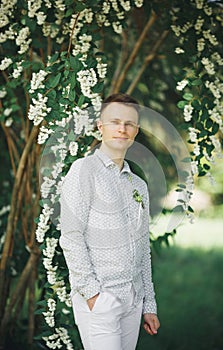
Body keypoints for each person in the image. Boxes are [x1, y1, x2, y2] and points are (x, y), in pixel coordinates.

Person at [59, 93, 160, 350]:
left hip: (134, 301)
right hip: (102, 298)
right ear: (100, 126)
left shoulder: (138, 184)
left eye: (129, 123)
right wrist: (94, 295)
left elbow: (143, 249)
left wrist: (148, 304)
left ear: (136, 130)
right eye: (115, 121)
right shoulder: (83, 171)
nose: (122, 129)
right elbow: (71, 236)